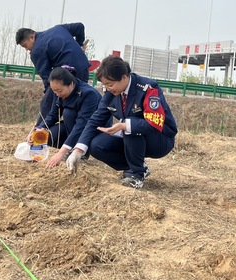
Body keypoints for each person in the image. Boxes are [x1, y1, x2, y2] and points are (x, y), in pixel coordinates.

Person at [65, 55, 177, 189]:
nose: (108, 88)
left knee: (130, 124)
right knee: (97, 145)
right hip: (132, 139)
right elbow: (95, 120)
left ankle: (136, 175)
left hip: (159, 139)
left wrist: (124, 125)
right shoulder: (110, 94)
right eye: (104, 84)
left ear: (124, 77)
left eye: (110, 84)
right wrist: (78, 150)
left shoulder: (147, 88)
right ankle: (139, 167)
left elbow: (155, 124)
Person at [28, 66, 104, 168]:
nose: (57, 94)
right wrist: (38, 130)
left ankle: (80, 151)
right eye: (55, 91)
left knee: (68, 113)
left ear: (71, 84)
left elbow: (82, 124)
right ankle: (69, 146)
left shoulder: (89, 94)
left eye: (59, 91)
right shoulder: (58, 92)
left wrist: (61, 153)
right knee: (48, 136)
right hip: (71, 125)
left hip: (92, 129)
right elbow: (53, 114)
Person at [15, 23, 91, 123]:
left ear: (32, 37)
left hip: (67, 75)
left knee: (48, 104)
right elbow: (80, 26)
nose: (27, 49)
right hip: (83, 67)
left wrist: (49, 93)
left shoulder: (37, 50)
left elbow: (47, 77)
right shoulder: (59, 28)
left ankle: (39, 132)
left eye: (25, 46)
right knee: (78, 102)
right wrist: (79, 44)